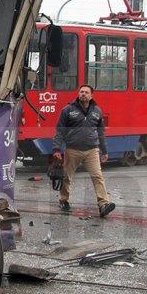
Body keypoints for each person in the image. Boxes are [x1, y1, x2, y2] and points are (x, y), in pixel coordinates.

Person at [51, 84, 116, 217]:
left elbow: (101, 132)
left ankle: (103, 204)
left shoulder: (97, 111)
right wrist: (57, 148)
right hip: (72, 150)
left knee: (98, 176)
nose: (83, 94)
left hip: (92, 150)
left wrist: (105, 151)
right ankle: (64, 200)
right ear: (78, 94)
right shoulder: (68, 110)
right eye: (81, 92)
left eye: (86, 92)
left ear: (91, 95)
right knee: (66, 177)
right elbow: (60, 131)